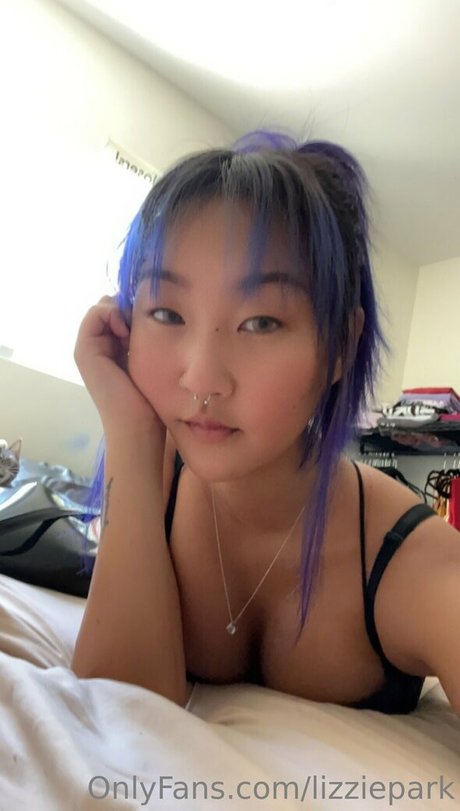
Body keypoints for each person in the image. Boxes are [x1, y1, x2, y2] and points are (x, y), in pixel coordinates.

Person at [71, 129, 460, 715]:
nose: (202, 379)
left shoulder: (407, 559)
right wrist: (128, 434)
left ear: (340, 346)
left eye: (261, 323)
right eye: (167, 312)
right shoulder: (152, 477)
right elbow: (115, 716)